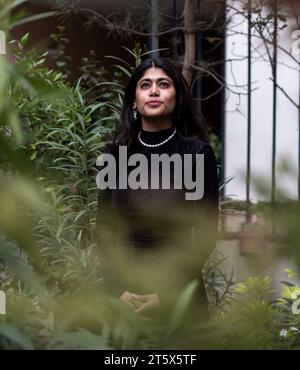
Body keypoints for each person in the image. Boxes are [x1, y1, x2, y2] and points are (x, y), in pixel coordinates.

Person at [96, 58, 219, 321]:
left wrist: (166, 294)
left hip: (179, 295)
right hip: (123, 296)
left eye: (163, 84)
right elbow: (104, 228)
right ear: (134, 100)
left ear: (178, 98)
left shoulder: (197, 153)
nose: (154, 91)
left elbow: (205, 233)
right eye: (145, 85)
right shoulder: (114, 157)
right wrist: (117, 290)